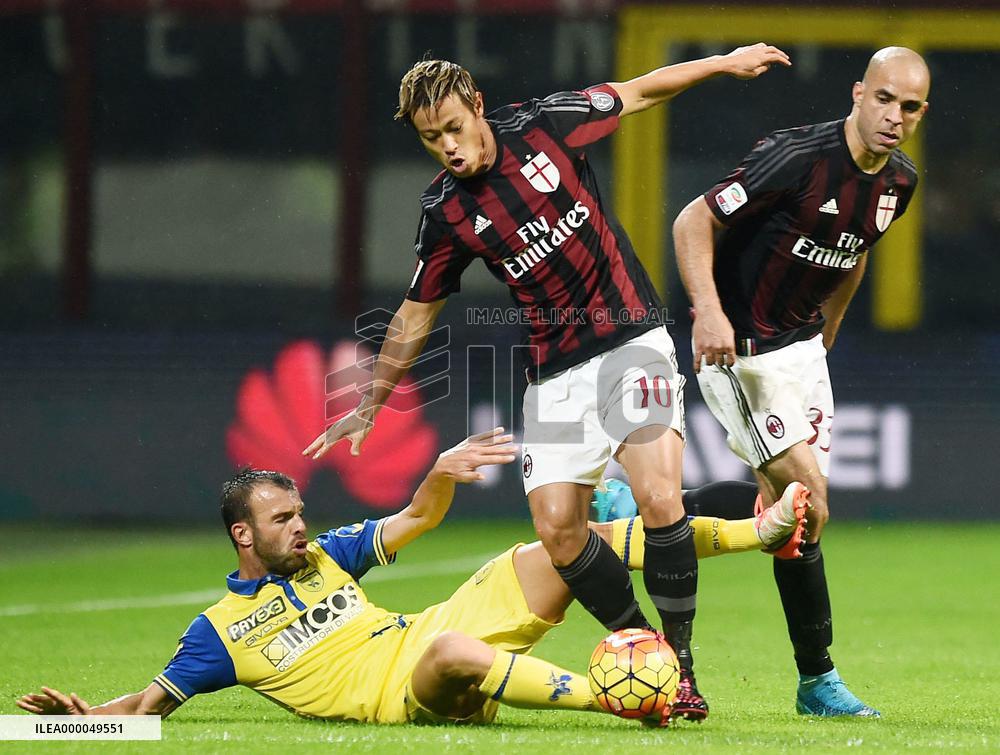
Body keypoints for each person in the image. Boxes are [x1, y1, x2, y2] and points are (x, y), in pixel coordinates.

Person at [303, 46, 792, 720]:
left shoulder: (546, 126)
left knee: (657, 493)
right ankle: (640, 644)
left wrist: (722, 62)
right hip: (555, 372)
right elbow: (417, 313)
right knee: (560, 531)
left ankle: (678, 667)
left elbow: (641, 91)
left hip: (630, 338)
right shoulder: (446, 212)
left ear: (476, 103)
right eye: (429, 138)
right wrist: (370, 403)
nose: (446, 146)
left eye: (452, 126)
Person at [18, 429, 806, 727]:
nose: (301, 524)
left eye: (300, 510)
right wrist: (70, 721)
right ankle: (627, 693)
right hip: (406, 688)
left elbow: (415, 521)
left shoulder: (328, 552)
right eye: (283, 518)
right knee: (450, 652)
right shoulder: (216, 633)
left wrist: (438, 472)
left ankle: (754, 530)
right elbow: (147, 707)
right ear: (242, 535)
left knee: (563, 544)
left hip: (437, 622)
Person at [671, 46, 930, 718]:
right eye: (884, 99)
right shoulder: (798, 158)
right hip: (740, 352)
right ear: (857, 94)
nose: (894, 116)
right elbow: (692, 219)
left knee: (787, 520)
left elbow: (857, 252)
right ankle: (818, 680)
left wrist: (828, 330)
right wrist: (708, 313)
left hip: (800, 351)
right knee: (807, 500)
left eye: (910, 106)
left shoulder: (899, 182)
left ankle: (652, 509)